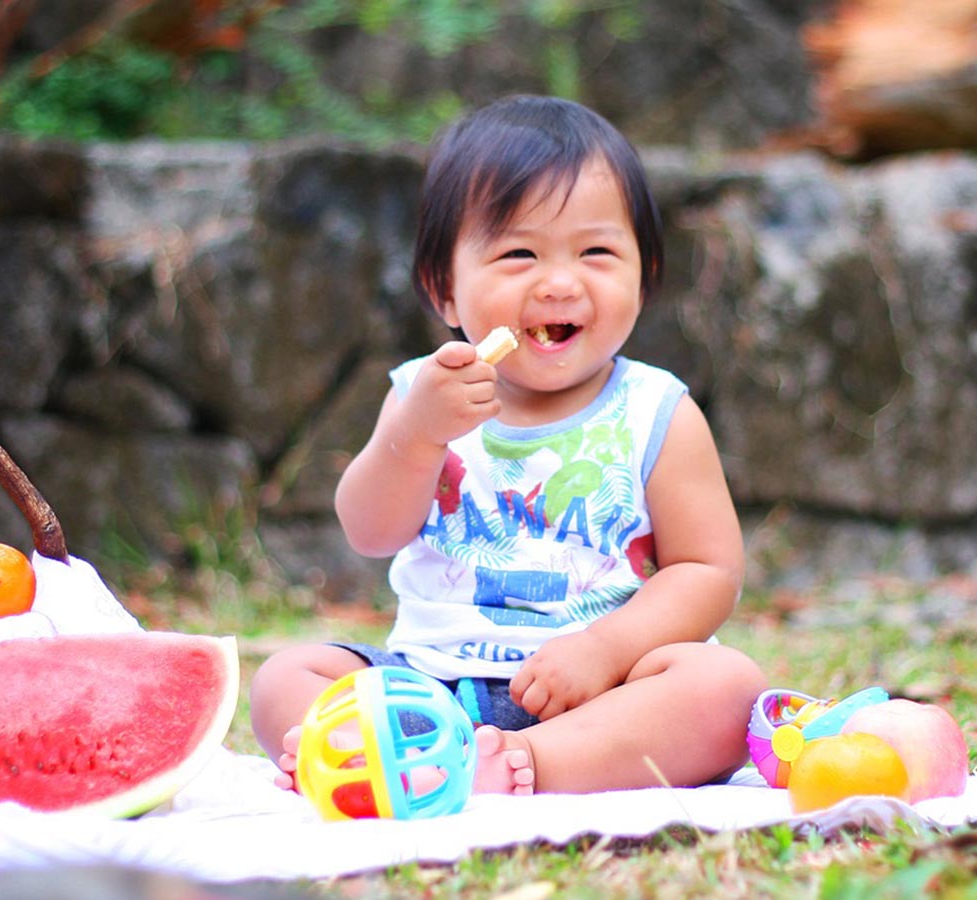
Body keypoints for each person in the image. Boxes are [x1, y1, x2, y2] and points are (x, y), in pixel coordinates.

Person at [249, 95, 766, 797]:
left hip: (600, 691)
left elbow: (707, 570)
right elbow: (369, 532)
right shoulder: (421, 394)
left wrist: (604, 650)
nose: (559, 282)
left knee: (725, 688)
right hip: (428, 687)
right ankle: (397, 756)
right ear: (446, 293)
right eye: (519, 253)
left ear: (643, 279)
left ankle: (530, 764)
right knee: (286, 678)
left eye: (597, 252)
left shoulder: (656, 412)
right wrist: (416, 435)